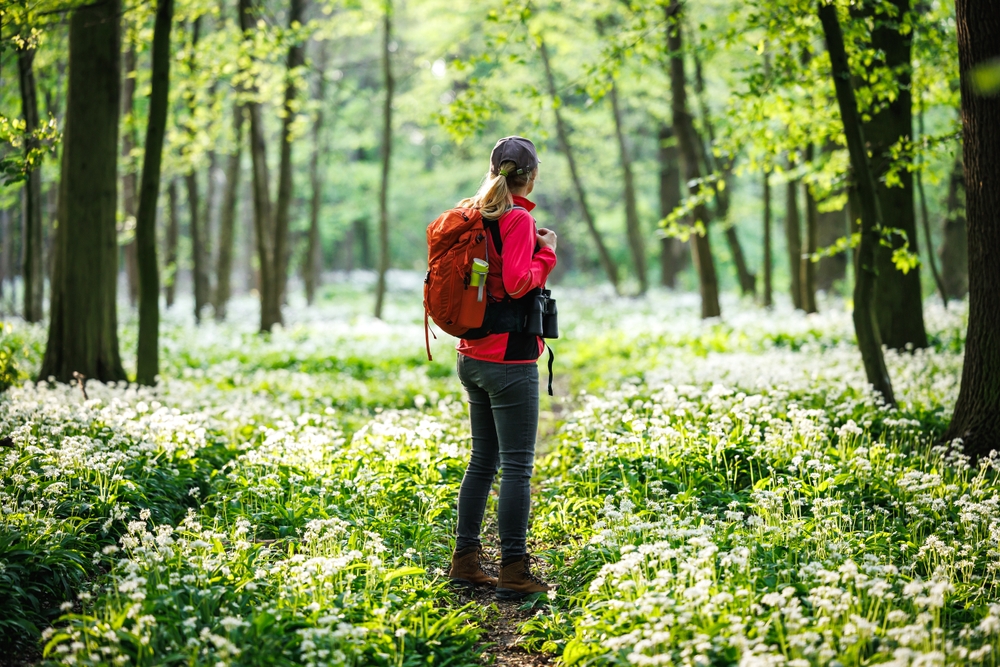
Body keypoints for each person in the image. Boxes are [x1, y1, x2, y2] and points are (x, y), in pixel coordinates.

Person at [447, 136, 557, 600]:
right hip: (508, 360)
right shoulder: (515, 219)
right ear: (529, 176)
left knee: (482, 461)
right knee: (516, 466)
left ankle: (466, 560)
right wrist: (546, 253)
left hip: (471, 355)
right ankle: (514, 569)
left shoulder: (474, 212)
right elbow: (516, 284)